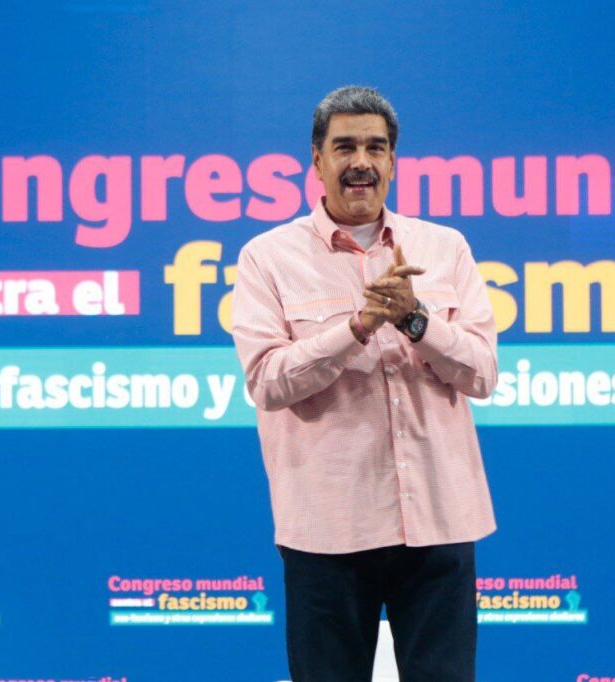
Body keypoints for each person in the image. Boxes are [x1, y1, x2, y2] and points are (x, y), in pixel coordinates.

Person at [232, 85, 497, 682]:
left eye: (376, 148)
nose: (362, 162)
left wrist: (415, 320)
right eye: (345, 147)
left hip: (438, 518)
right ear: (317, 161)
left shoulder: (443, 247)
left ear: (393, 162)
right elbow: (267, 382)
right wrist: (356, 327)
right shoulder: (267, 257)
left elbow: (482, 373)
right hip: (328, 528)